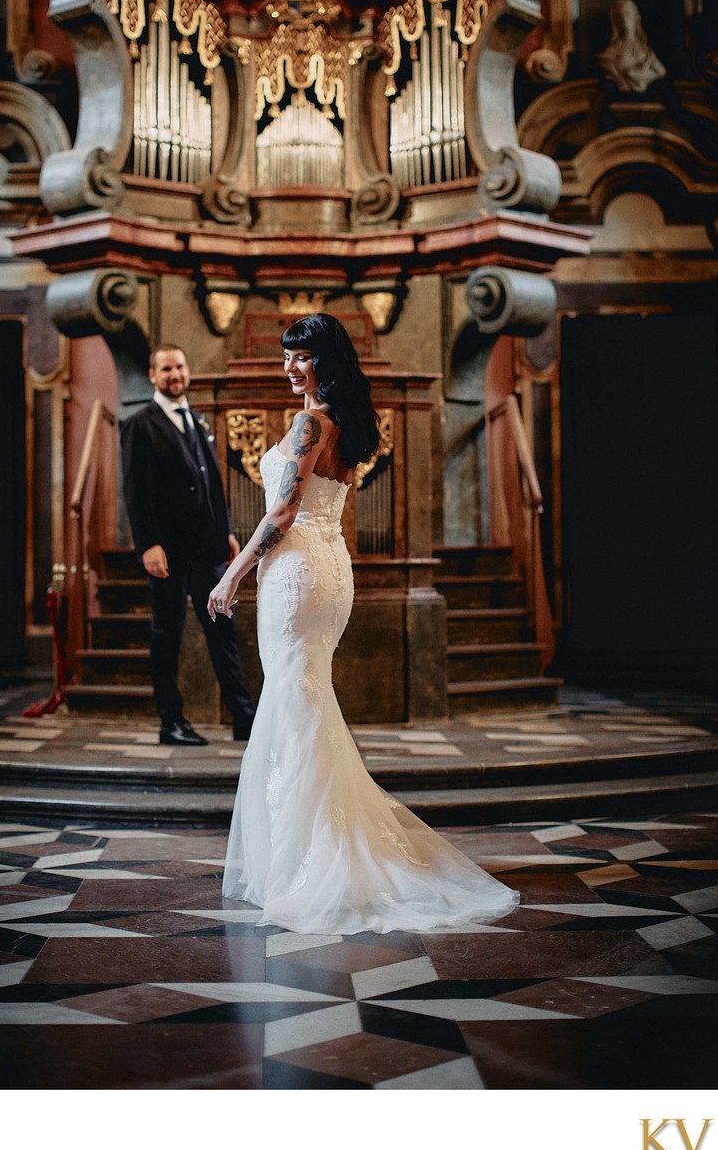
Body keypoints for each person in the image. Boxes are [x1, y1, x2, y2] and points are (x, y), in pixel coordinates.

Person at [208, 314, 519, 935]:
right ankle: (310, 847)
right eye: (286, 357)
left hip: (295, 569)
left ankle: (313, 859)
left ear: (326, 361)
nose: (290, 368)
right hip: (330, 567)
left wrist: (233, 573)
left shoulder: (308, 423)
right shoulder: (349, 425)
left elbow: (285, 510)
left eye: (300, 357)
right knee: (306, 698)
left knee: (296, 701)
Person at [121, 344, 256, 746]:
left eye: (179, 366)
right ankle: (171, 721)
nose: (174, 374)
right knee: (168, 634)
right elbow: (134, 491)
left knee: (223, 632)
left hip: (208, 548)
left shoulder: (197, 420)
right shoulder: (139, 424)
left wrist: (227, 530)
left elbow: (213, 482)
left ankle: (243, 718)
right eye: (166, 369)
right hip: (168, 551)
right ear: (152, 375)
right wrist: (148, 544)